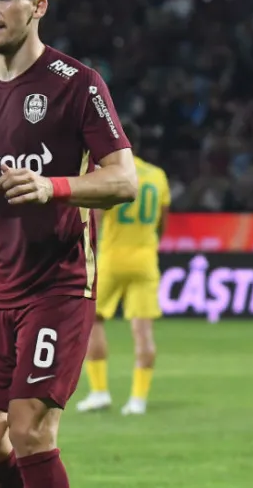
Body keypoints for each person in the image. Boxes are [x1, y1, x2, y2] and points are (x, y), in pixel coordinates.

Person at [0, 0, 138, 488]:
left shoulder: (78, 83)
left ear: (38, 7)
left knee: (29, 429)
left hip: (56, 283)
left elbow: (124, 180)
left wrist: (53, 187)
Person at [76, 121, 170, 416]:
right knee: (142, 332)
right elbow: (162, 222)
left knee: (93, 322)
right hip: (145, 259)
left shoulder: (112, 173)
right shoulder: (157, 175)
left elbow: (95, 218)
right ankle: (138, 400)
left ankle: (99, 392)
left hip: (112, 258)